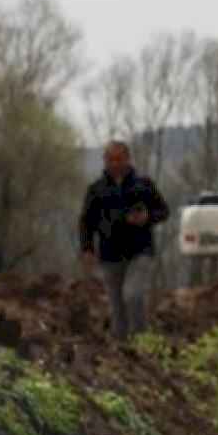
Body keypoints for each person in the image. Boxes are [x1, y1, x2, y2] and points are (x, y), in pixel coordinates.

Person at [79, 141, 170, 340]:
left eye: (119, 159)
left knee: (133, 294)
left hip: (140, 251)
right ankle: (122, 351)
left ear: (128, 159)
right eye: (110, 159)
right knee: (117, 306)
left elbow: (163, 211)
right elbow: (86, 221)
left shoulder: (144, 185)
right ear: (105, 161)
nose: (115, 163)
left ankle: (142, 341)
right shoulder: (96, 190)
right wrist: (87, 248)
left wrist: (147, 217)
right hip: (109, 255)